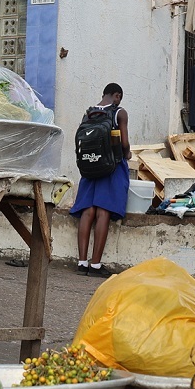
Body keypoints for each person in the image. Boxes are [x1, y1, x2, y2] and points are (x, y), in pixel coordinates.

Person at [70, 83, 131, 274]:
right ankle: (95, 264)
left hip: (89, 166)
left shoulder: (89, 113)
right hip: (110, 167)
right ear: (117, 95)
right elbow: (123, 142)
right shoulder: (119, 112)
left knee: (88, 212)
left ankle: (81, 263)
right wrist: (127, 154)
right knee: (103, 211)